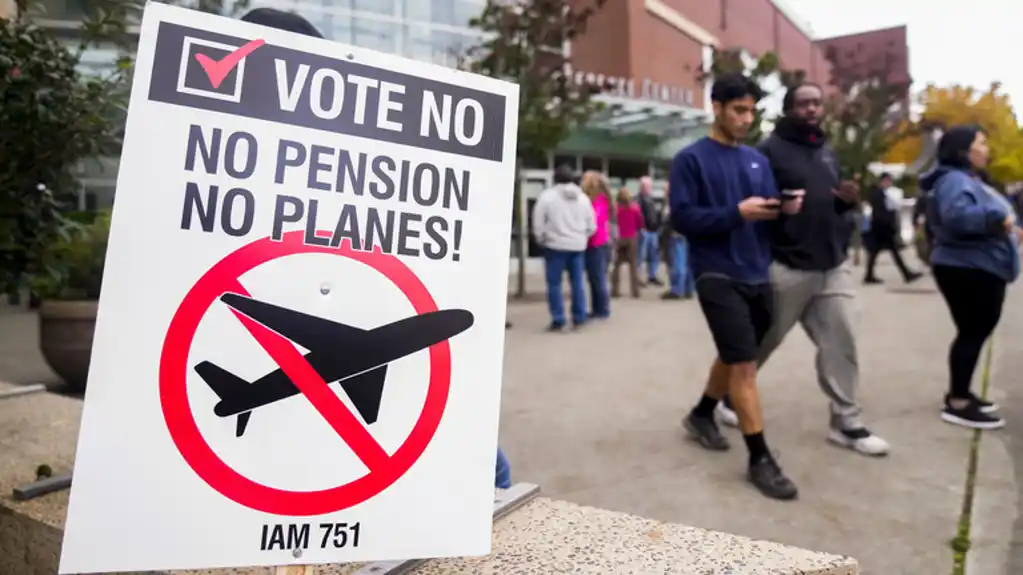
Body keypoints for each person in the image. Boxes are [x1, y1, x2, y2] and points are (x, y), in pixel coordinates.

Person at [716, 82, 891, 458]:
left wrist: (845, 204)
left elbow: (828, 203)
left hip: (832, 265)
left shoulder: (826, 149)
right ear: (789, 108)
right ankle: (728, 397)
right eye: (803, 104)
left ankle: (847, 422)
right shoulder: (768, 152)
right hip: (786, 265)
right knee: (763, 340)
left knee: (841, 340)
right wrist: (779, 207)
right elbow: (753, 207)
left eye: (816, 103)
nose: (812, 109)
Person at [673, 72, 804, 500]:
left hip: (756, 272)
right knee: (745, 364)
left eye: (751, 110)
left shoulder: (757, 161)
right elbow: (683, 219)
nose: (747, 118)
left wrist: (783, 208)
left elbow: (760, 211)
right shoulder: (690, 160)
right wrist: (735, 213)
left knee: (735, 354)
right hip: (715, 272)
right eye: (739, 110)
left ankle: (702, 414)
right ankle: (760, 459)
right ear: (716, 107)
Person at [922, 124, 1020, 429]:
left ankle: (961, 392)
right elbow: (958, 218)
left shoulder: (967, 179)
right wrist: (998, 220)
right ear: (964, 150)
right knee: (973, 331)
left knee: (974, 331)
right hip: (967, 268)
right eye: (981, 142)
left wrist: (1010, 231)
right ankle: (958, 402)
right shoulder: (954, 180)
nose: (986, 148)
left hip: (977, 265)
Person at [532, 165, 596, 332]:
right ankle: (579, 317)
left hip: (555, 246)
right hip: (578, 246)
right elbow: (592, 225)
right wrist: (582, 237)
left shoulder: (546, 197)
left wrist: (541, 238)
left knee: (554, 284)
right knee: (578, 283)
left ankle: (558, 319)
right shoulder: (583, 198)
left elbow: (538, 222)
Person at [863, 172, 923, 284]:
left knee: (876, 252)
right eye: (888, 181)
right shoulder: (878, 193)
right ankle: (906, 274)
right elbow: (881, 211)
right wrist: (890, 224)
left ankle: (869, 275)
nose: (889, 183)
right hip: (882, 228)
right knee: (892, 251)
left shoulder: (878, 192)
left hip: (879, 227)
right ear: (883, 181)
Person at [582, 171, 614, 319]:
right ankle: (597, 309)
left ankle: (602, 310)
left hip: (597, 244)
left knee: (598, 278)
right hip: (597, 243)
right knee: (595, 278)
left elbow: (594, 222)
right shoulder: (602, 200)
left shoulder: (598, 201)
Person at [662, 183, 696, 300]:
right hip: (690, 233)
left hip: (677, 234)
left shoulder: (674, 202)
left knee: (678, 263)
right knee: (688, 263)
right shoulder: (690, 199)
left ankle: (677, 290)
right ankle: (689, 289)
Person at [611, 187, 644, 298]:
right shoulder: (635, 208)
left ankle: (614, 290)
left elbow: (613, 221)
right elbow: (640, 223)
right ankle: (635, 292)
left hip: (620, 238)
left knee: (617, 265)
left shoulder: (616, 209)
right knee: (633, 265)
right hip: (632, 238)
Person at [637, 177, 664, 286]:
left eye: (649, 186)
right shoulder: (639, 199)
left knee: (654, 255)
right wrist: (641, 228)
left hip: (654, 231)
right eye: (646, 186)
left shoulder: (651, 199)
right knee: (641, 255)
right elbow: (638, 215)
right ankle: (638, 277)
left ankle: (652, 275)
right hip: (645, 231)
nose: (648, 188)